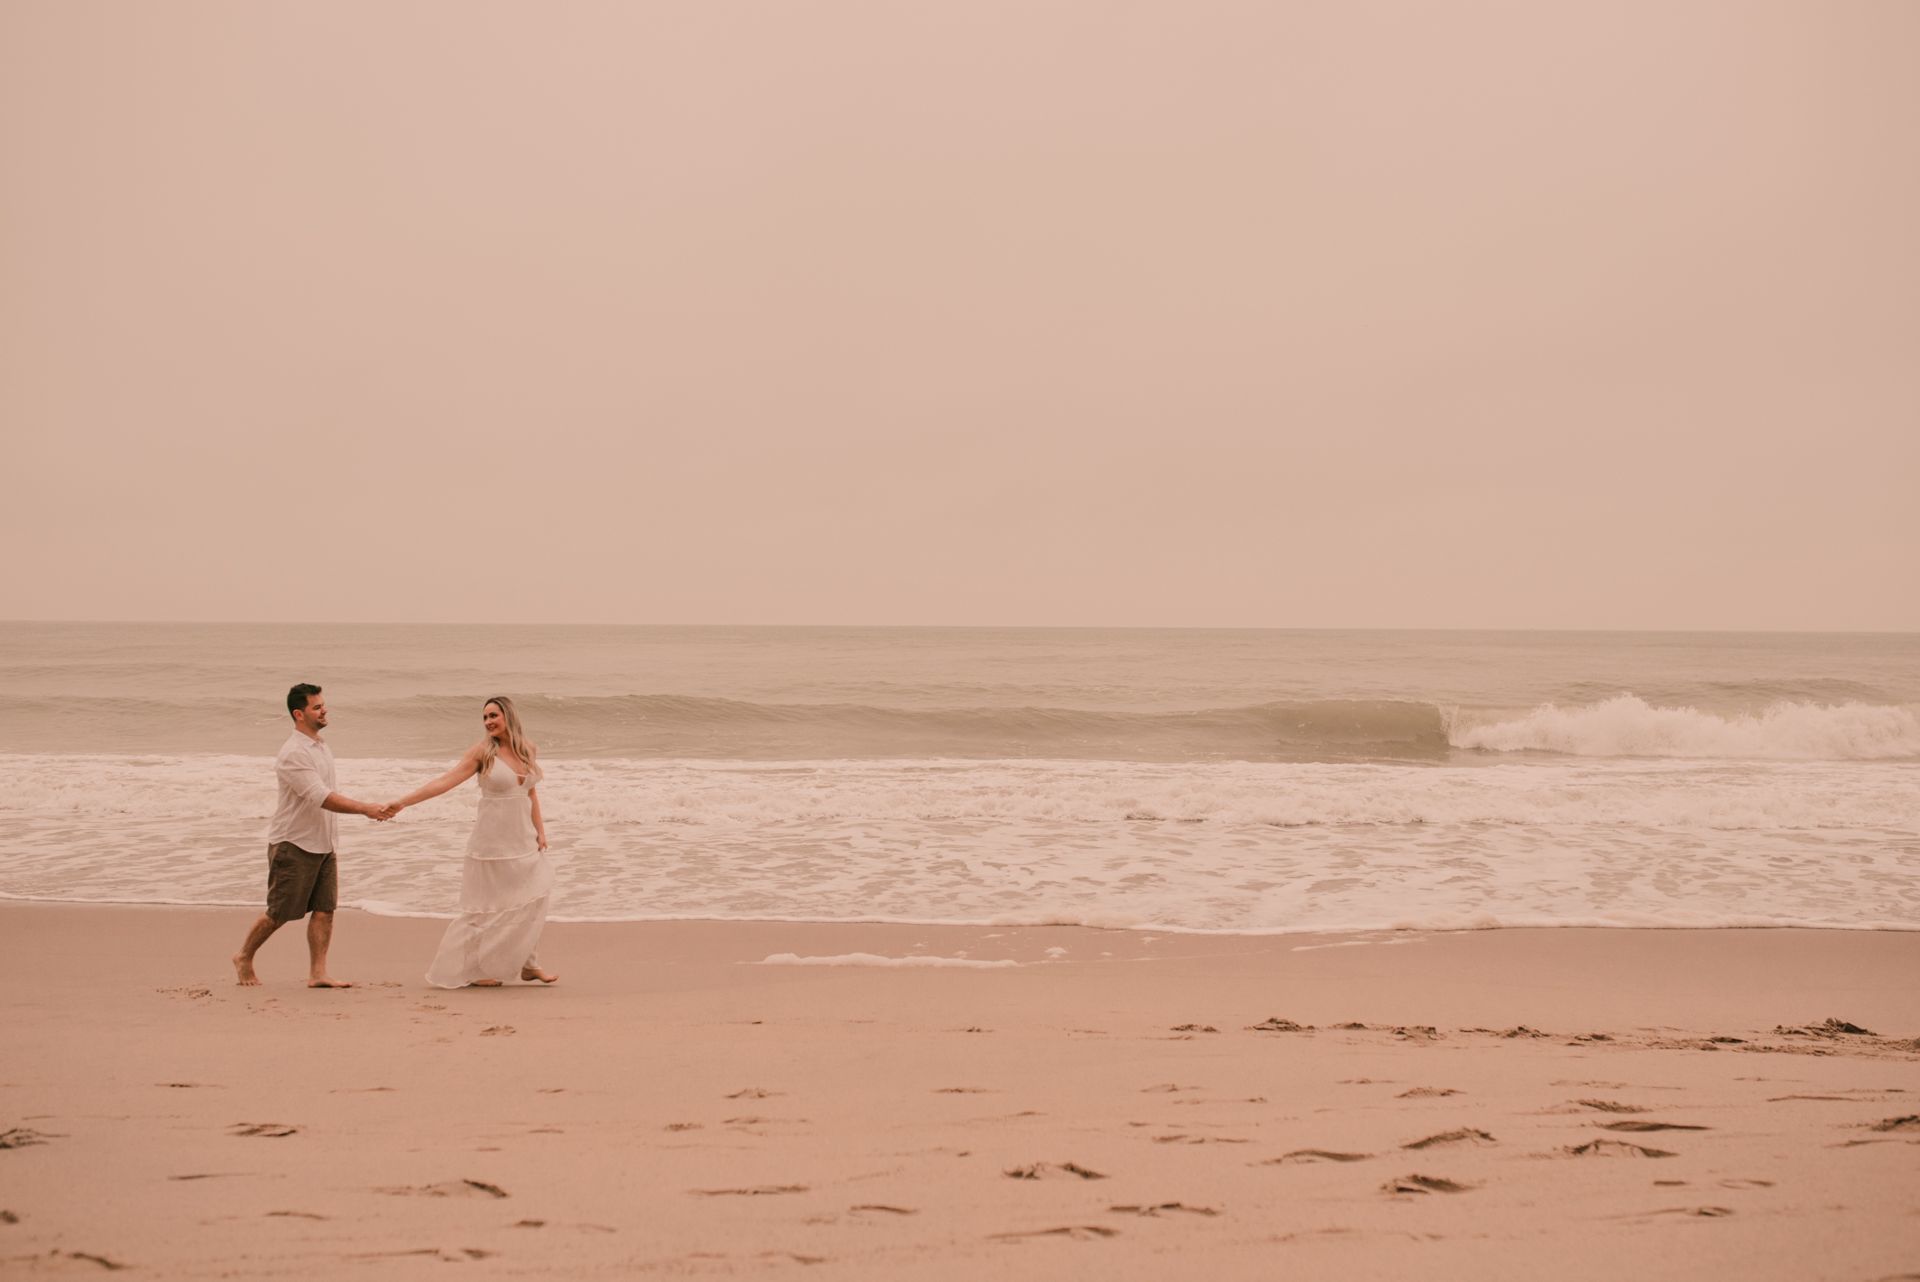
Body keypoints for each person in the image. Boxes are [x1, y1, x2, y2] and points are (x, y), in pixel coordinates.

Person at [233, 683, 397, 987]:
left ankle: (318, 973)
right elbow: (321, 797)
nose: (324, 710)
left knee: (325, 910)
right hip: (293, 843)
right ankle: (243, 956)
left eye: (324, 705)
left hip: (324, 841)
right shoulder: (293, 754)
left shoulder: (320, 745)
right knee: (279, 913)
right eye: (317, 707)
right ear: (299, 714)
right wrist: (365, 809)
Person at [392, 696, 559, 988]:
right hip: (491, 843)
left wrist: (540, 831)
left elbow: (531, 794)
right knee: (483, 909)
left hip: (523, 840)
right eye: (484, 717)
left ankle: (529, 964)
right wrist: (402, 802)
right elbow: (445, 782)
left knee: (532, 899)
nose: (488, 722)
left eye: (493, 715)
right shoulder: (483, 752)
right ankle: (473, 969)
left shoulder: (528, 749)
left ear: (508, 716)